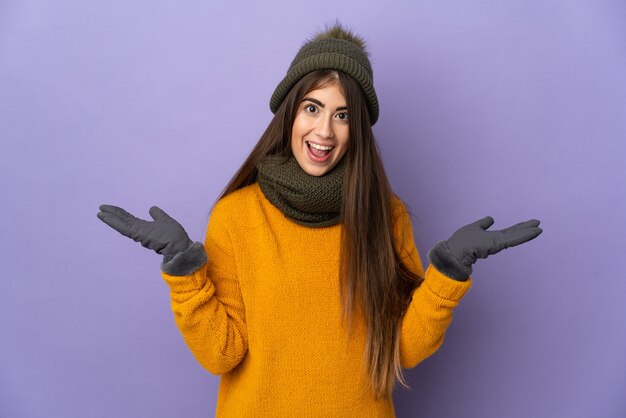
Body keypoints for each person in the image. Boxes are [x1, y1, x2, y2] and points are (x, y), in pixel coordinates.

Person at [97, 22, 542, 417]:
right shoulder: (237, 216)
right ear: (290, 111)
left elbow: (403, 349)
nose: (324, 131)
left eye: (342, 115)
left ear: (358, 129)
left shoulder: (385, 215)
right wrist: (184, 272)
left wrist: (448, 273)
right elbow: (221, 354)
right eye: (313, 108)